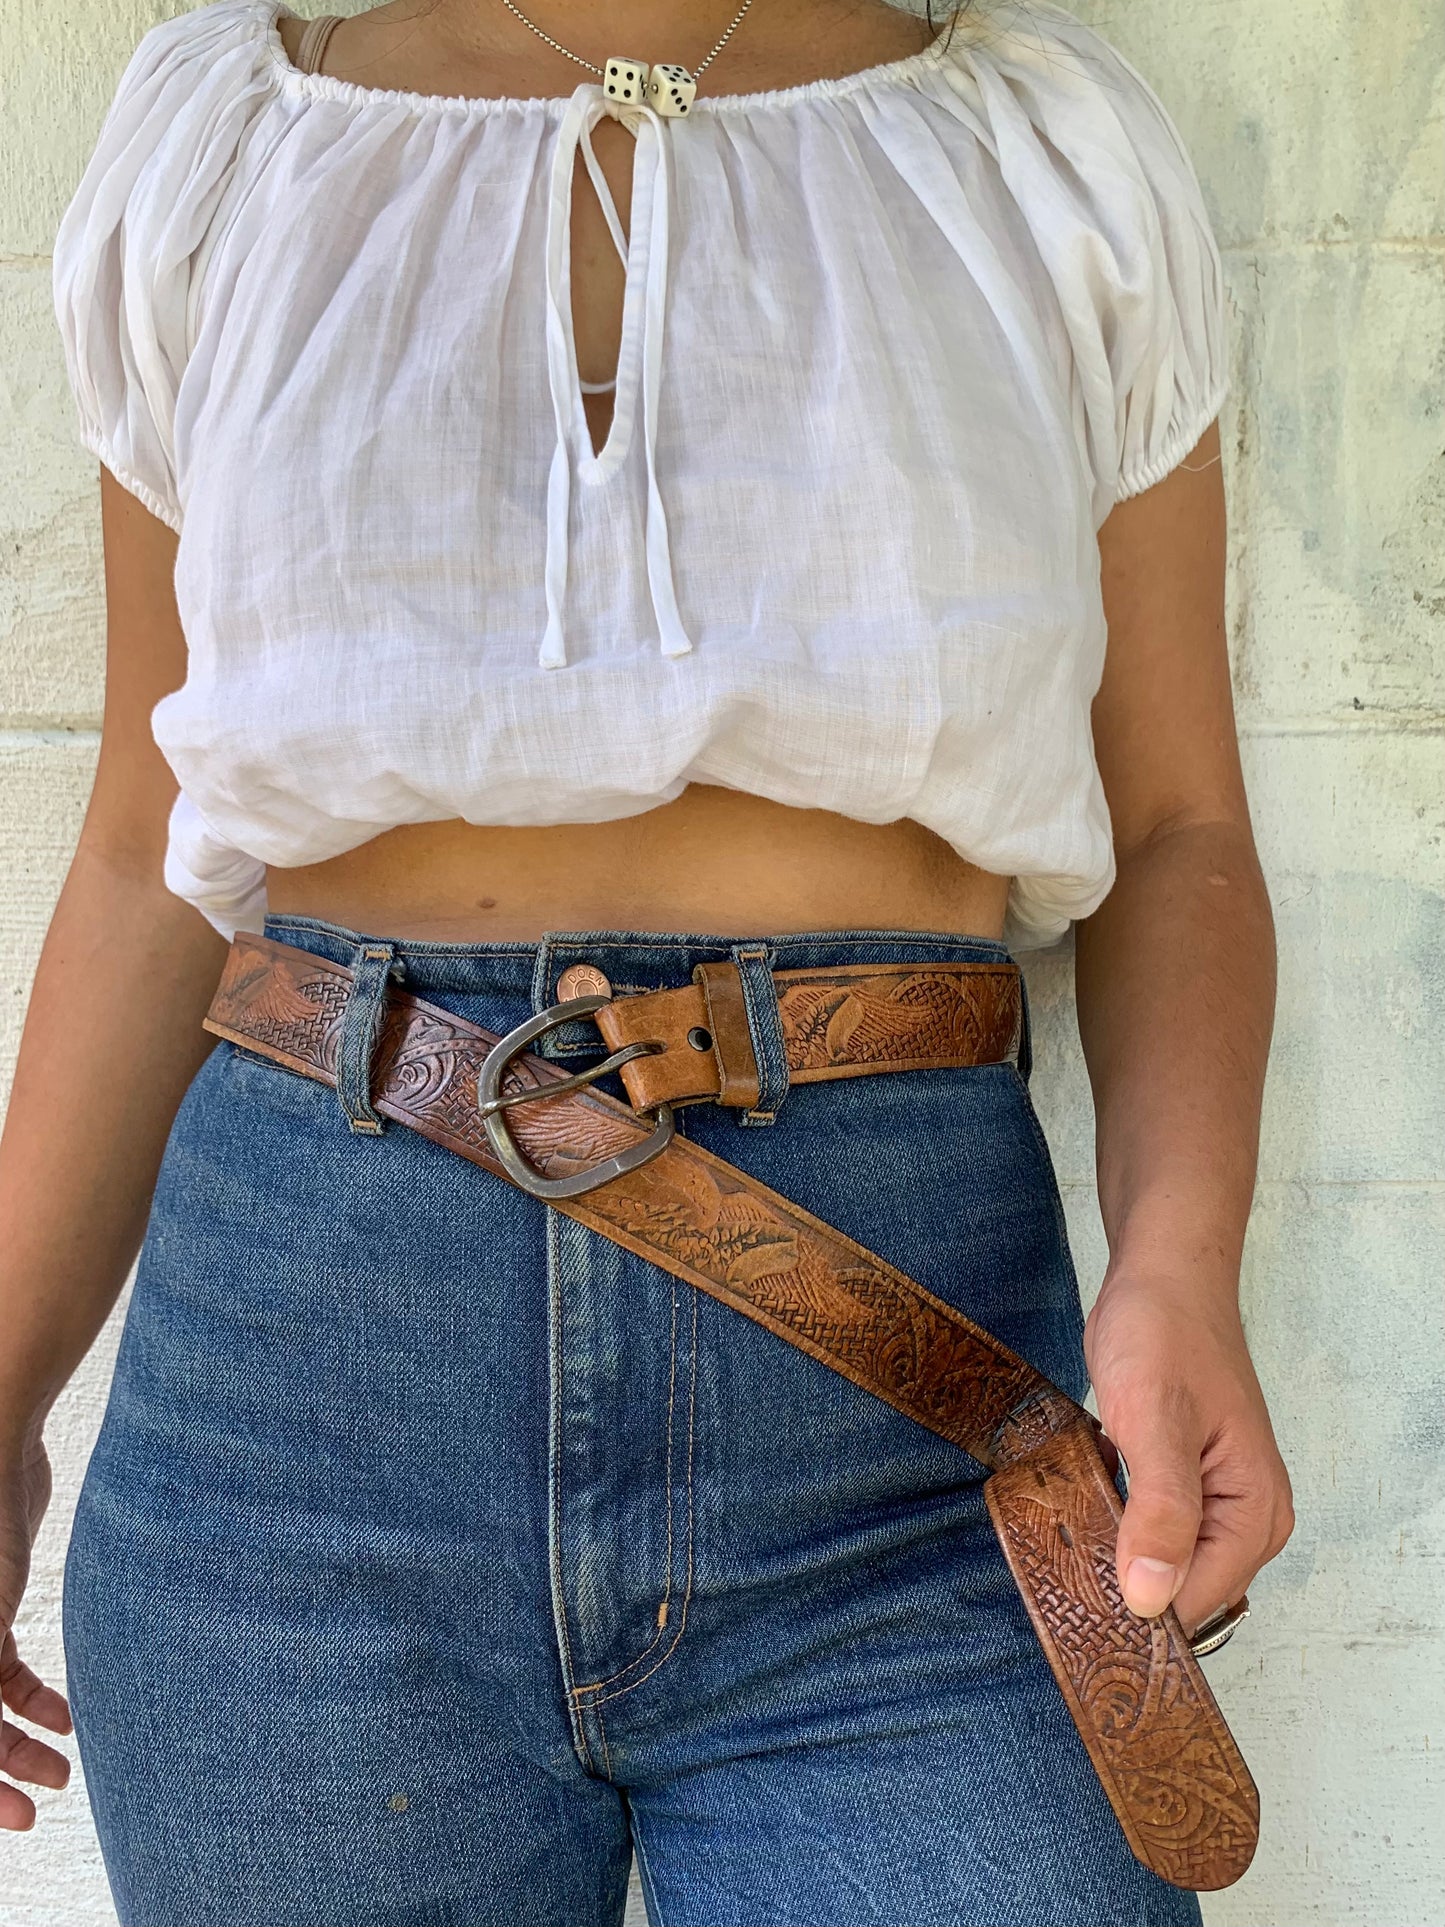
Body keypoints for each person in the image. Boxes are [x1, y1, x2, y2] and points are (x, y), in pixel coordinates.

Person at [2, 0, 1293, 1920]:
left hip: (907, 1415)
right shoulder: (227, 148)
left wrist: (1183, 1265)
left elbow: (1177, 826)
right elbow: (142, 850)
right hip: (298, 1427)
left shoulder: (1039, 156)